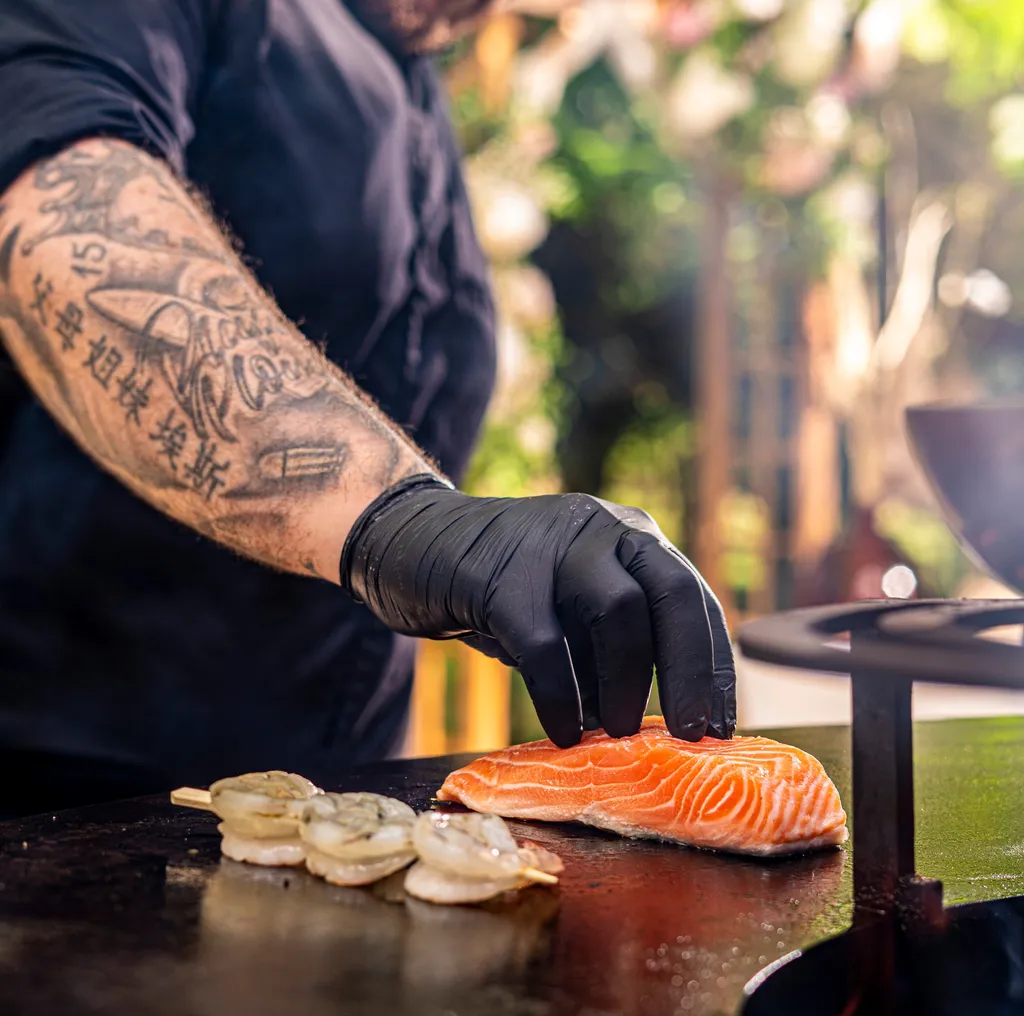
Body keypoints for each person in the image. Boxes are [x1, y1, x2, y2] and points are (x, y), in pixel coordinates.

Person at [0, 0, 735, 817]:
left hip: (333, 791)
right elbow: (57, 221)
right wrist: (403, 521)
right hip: (72, 792)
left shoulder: (413, 76)